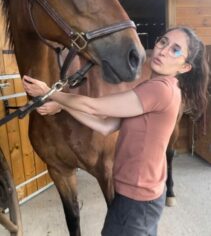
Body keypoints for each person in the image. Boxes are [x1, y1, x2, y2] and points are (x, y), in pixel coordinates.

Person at [22, 26, 209, 236]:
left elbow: (94, 106)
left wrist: (50, 93)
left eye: (175, 50)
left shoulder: (160, 90)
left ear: (184, 67)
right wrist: (65, 105)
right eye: (163, 42)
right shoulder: (151, 86)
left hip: (138, 198)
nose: (163, 50)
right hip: (134, 193)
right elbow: (106, 125)